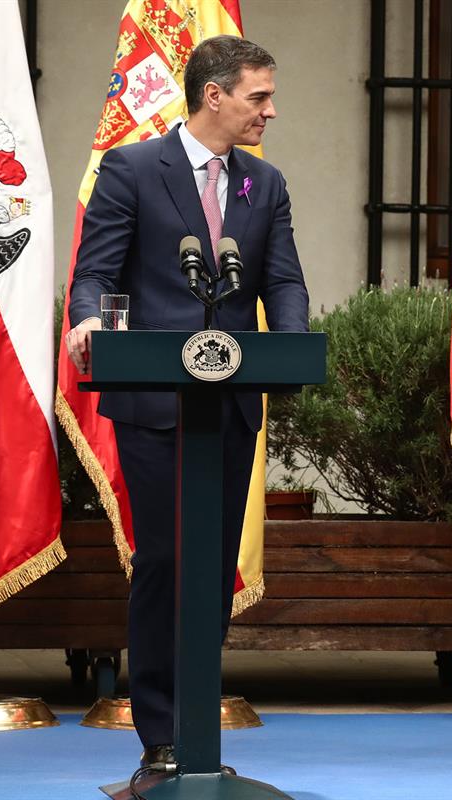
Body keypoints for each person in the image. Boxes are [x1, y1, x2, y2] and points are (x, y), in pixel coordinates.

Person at [64, 36, 309, 769]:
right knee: (167, 563)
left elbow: (284, 281)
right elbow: (95, 269)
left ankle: (197, 734)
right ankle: (160, 741)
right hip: (154, 407)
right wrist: (84, 319)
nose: (270, 109)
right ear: (215, 95)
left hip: (229, 409)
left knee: (212, 569)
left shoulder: (263, 186)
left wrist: (289, 343)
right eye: (258, 96)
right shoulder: (133, 168)